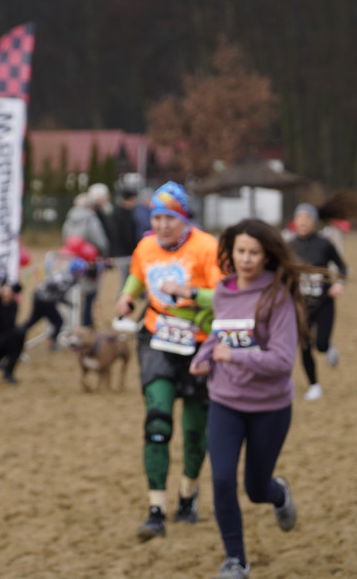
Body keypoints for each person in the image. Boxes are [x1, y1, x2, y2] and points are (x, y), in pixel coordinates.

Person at [190, 219, 306, 579]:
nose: (246, 258)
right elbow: (222, 333)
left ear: (267, 255)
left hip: (269, 408)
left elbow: (283, 361)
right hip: (225, 401)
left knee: (256, 488)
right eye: (240, 251)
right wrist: (205, 354)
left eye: (254, 252)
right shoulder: (224, 291)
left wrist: (232, 355)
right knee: (222, 481)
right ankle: (236, 562)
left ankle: (279, 495)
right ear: (230, 252)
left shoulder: (278, 296)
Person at [114, 181, 222, 542]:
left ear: (184, 219)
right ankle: (156, 509)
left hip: (199, 343)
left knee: (194, 431)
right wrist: (127, 298)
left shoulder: (207, 247)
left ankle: (188, 495)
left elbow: (226, 295)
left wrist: (191, 293)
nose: (162, 225)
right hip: (157, 339)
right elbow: (137, 275)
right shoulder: (146, 246)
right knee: (157, 421)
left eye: (169, 219)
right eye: (157, 218)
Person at [288, 203, 347, 402]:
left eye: (308, 218)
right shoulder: (289, 246)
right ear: (294, 221)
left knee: (320, 344)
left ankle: (327, 347)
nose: (303, 222)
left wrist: (339, 284)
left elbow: (342, 267)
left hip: (324, 302)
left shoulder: (325, 243)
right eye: (300, 218)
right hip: (302, 305)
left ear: (314, 221)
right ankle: (314, 385)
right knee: (304, 345)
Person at [63, 193, 110, 326]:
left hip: (71, 261)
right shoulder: (91, 219)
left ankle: (72, 322)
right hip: (90, 263)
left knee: (73, 292)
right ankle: (87, 322)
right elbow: (100, 241)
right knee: (90, 293)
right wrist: (103, 253)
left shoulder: (69, 218)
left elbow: (65, 237)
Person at [21, 258, 85, 350]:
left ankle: (18, 335)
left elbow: (56, 293)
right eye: (80, 271)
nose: (81, 274)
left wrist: (67, 303)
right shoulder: (68, 279)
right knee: (58, 321)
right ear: (75, 270)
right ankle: (51, 341)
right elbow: (58, 294)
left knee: (33, 321)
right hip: (44, 301)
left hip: (41, 298)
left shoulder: (67, 276)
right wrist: (67, 303)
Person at [111, 186, 142, 285]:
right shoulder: (121, 214)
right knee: (125, 281)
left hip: (128, 251)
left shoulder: (128, 213)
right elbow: (125, 234)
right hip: (125, 252)